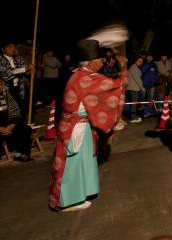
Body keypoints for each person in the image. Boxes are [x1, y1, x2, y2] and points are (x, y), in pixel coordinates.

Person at [48, 39, 127, 212]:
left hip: (80, 125)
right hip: (76, 126)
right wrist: (123, 68)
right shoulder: (84, 78)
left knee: (84, 160)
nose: (102, 62)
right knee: (73, 163)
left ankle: (83, 192)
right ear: (91, 63)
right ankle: (69, 201)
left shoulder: (81, 75)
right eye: (100, 60)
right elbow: (116, 86)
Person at [0, 75, 33, 175]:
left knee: (25, 129)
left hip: (7, 124)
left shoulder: (5, 94)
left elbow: (15, 111)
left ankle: (21, 153)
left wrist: (12, 124)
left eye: (0, 84)